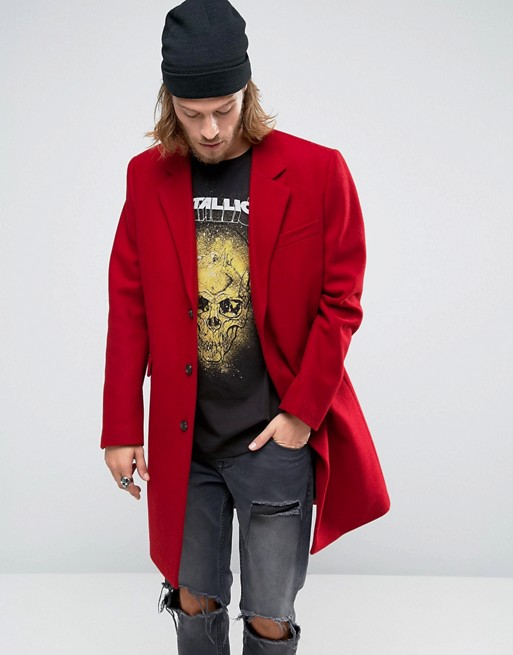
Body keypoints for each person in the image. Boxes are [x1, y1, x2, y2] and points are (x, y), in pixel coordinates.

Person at [100, 0, 390, 653]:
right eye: (191, 113)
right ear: (169, 103)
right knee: (193, 600)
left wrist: (300, 415)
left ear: (247, 92)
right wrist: (120, 425)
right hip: (185, 440)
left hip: (273, 436)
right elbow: (129, 302)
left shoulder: (318, 171)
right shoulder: (146, 177)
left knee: (269, 613)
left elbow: (341, 302)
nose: (209, 130)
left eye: (224, 110)